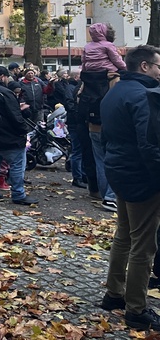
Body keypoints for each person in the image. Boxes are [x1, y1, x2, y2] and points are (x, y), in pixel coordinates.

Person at [99, 45, 160, 330]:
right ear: (145, 66)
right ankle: (137, 309)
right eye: (159, 65)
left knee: (124, 235)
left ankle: (114, 293)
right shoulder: (145, 95)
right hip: (141, 177)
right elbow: (150, 145)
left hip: (119, 172)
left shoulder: (116, 91)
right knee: (143, 246)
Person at [0, 66, 38, 205]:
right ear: (3, 77)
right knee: (16, 165)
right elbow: (14, 116)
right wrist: (23, 130)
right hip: (8, 137)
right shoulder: (4, 92)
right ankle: (18, 194)